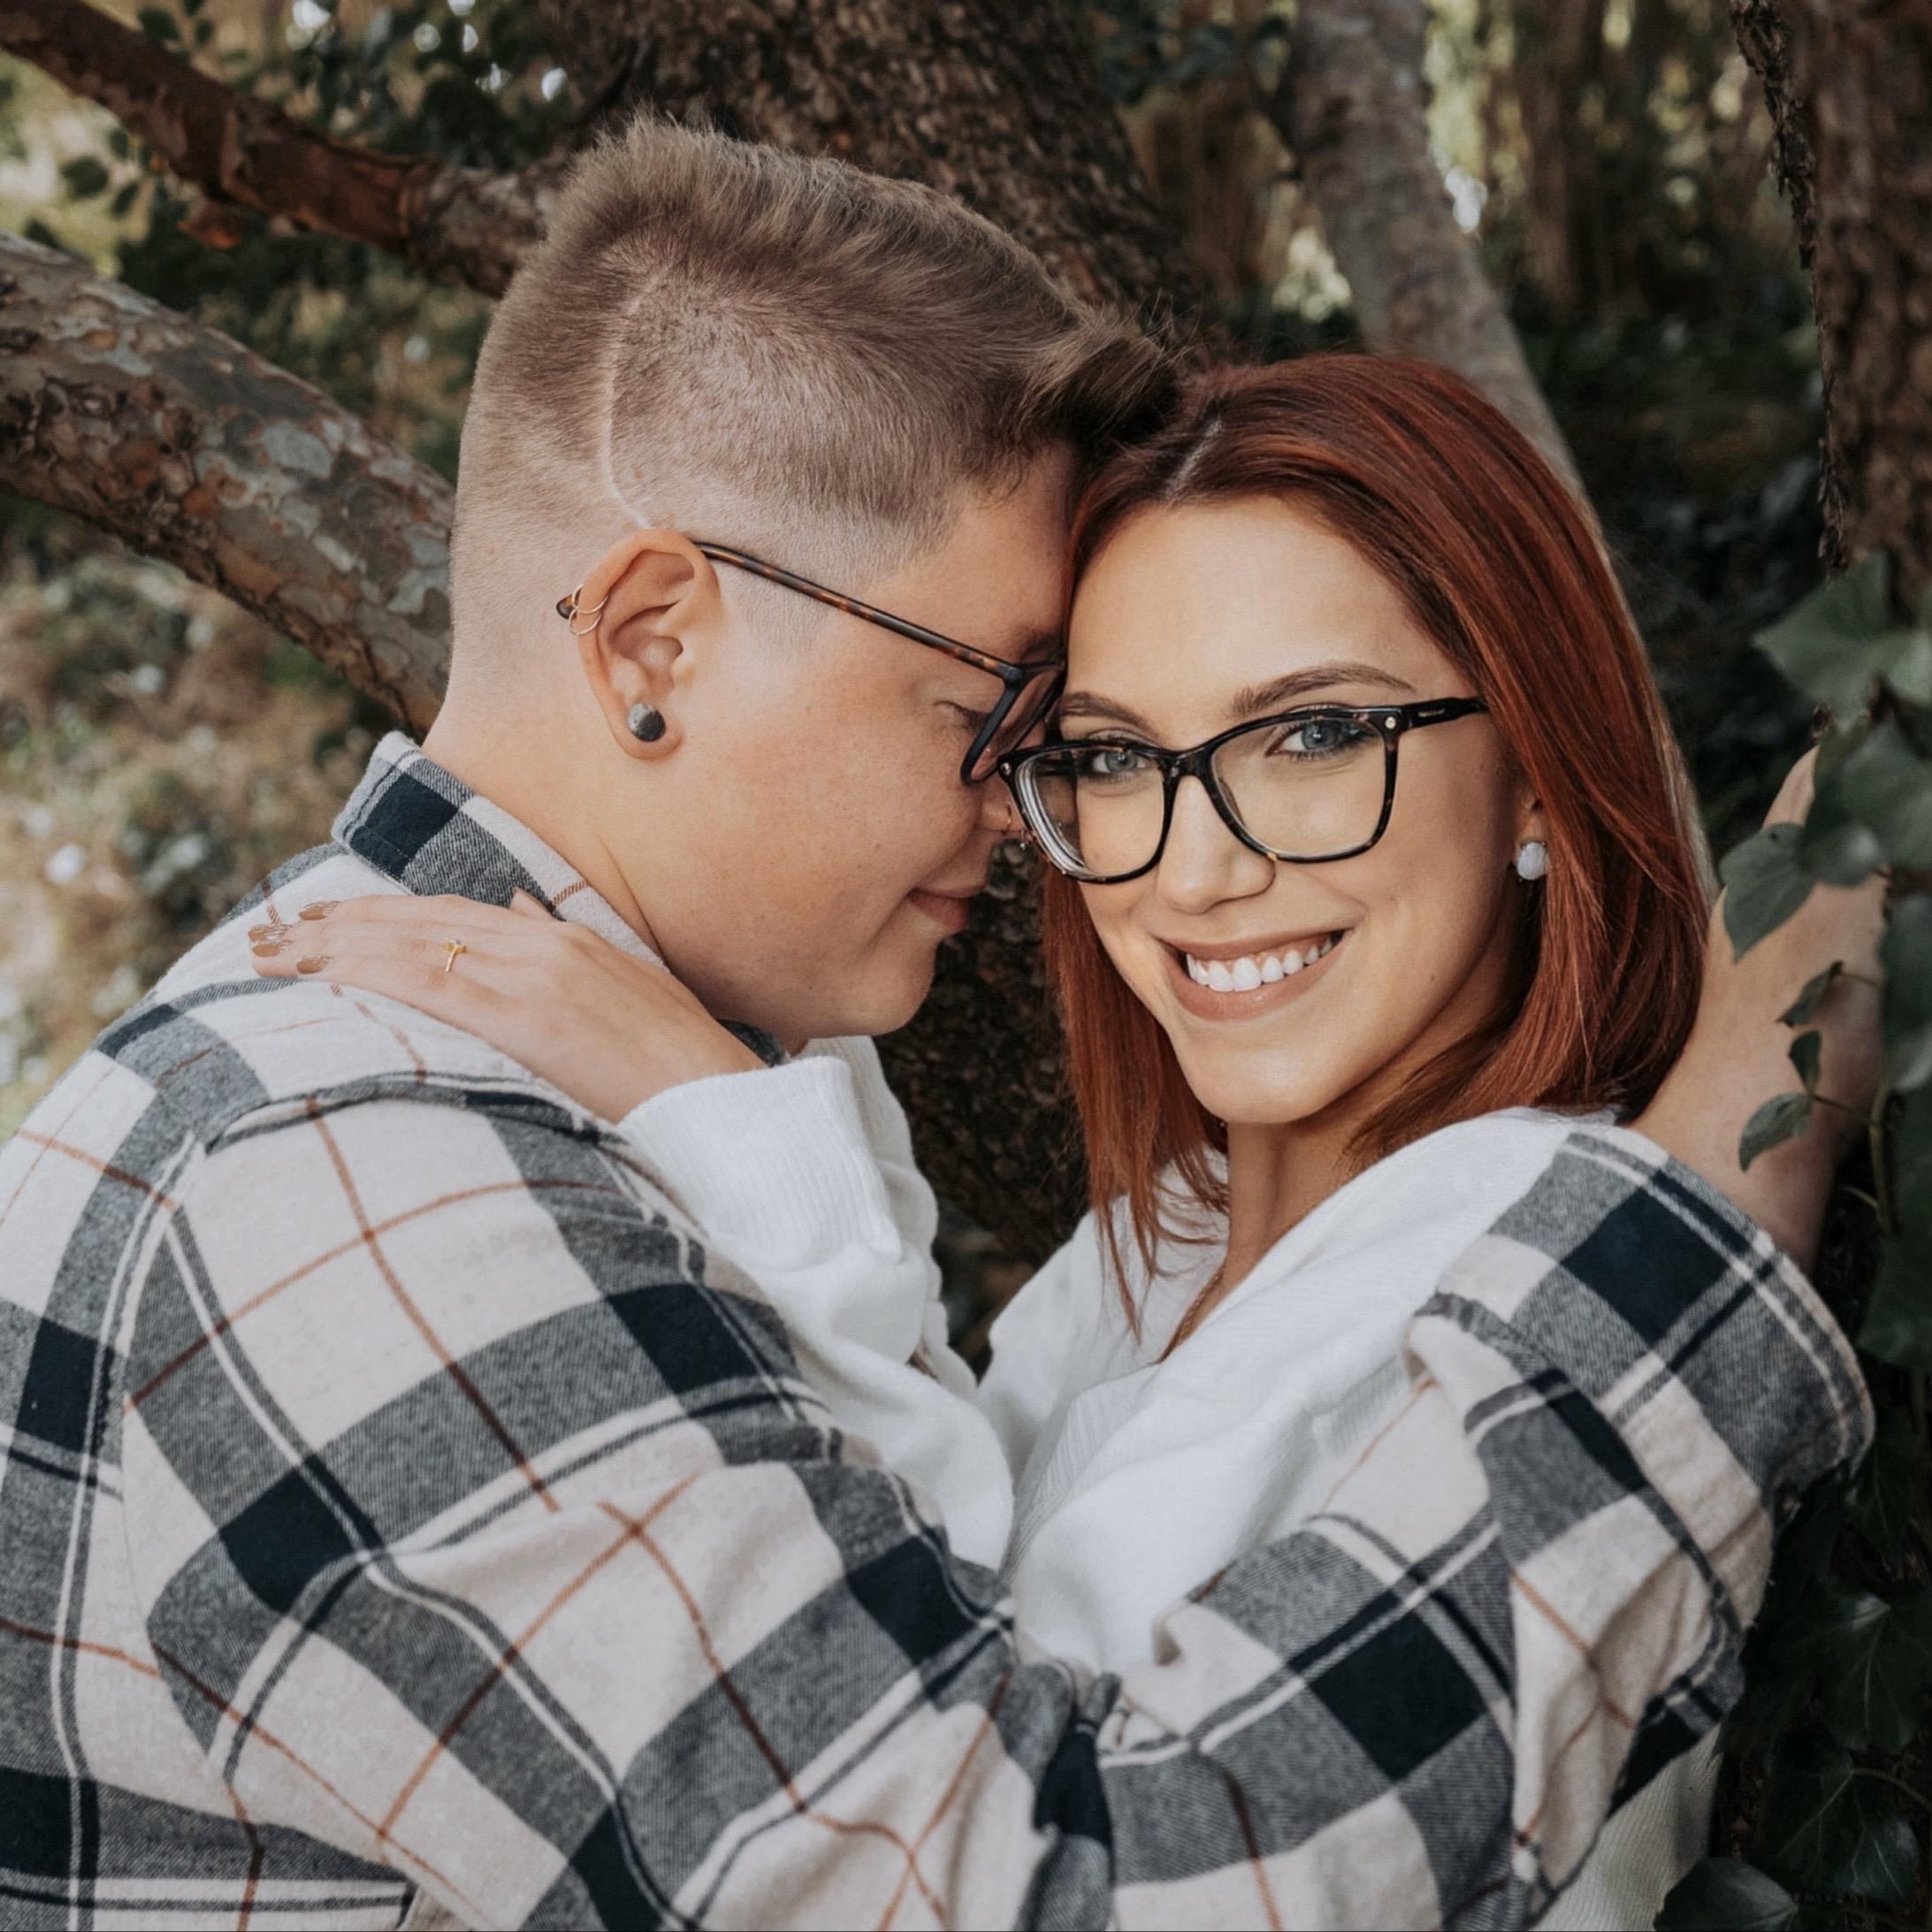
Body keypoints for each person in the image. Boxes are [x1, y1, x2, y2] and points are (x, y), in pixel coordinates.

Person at [0, 117, 1875, 1930]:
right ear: (653, 642)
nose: (1057, 828)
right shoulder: (374, 1182)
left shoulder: (458, 1105)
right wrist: (1730, 1146)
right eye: (1038, 730)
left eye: (1309, 734)